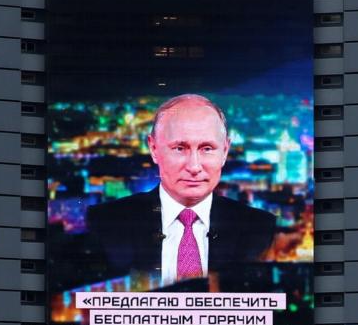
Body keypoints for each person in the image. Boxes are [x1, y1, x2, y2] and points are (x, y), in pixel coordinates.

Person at [86, 94, 276, 285]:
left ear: (225, 151)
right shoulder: (105, 223)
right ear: (153, 149)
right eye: (179, 148)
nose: (194, 166)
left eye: (207, 148)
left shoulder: (261, 229)